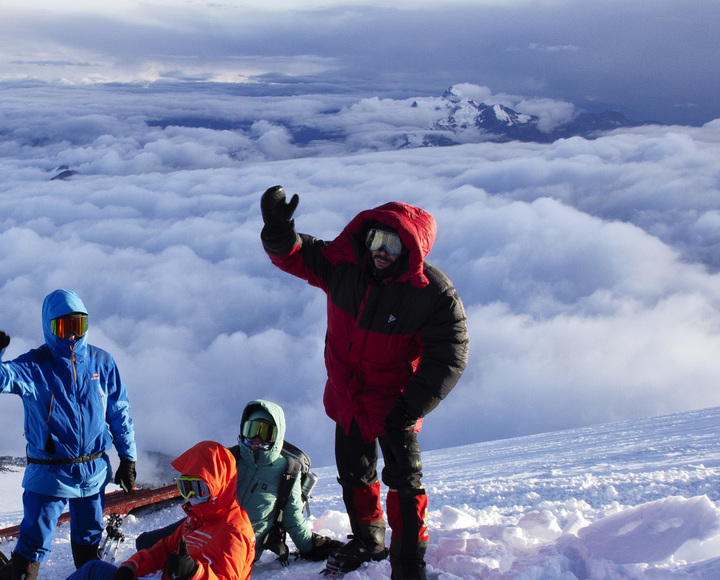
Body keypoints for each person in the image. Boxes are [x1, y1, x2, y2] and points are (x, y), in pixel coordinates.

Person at [259, 187, 469, 580]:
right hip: (347, 400)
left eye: (394, 242)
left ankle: (408, 566)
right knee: (355, 475)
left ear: (411, 248)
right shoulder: (346, 267)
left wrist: (410, 407)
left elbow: (451, 353)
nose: (381, 250)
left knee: (405, 486)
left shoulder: (431, 293)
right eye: (376, 238)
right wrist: (278, 229)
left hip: (395, 406)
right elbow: (296, 255)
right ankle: (369, 541)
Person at [0, 289, 138, 580]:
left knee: (88, 537)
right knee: (33, 541)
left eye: (79, 326)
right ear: (49, 327)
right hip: (49, 473)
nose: (72, 335)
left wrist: (128, 458)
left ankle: (87, 573)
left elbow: (119, 412)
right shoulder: (35, 365)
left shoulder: (102, 362)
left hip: (93, 470)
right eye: (63, 327)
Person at [134, 400, 340, 565]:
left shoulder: (287, 472)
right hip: (208, 524)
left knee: (183, 560)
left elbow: (293, 519)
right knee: (145, 544)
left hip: (237, 543)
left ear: (277, 436)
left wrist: (311, 547)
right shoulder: (233, 458)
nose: (257, 439)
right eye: (252, 430)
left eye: (265, 432)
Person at [64, 440, 256, 580]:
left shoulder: (235, 532)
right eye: (186, 488)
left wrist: (194, 573)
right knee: (93, 570)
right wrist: (132, 567)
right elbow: (163, 549)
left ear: (219, 488)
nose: (192, 497)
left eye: (199, 489)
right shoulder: (198, 518)